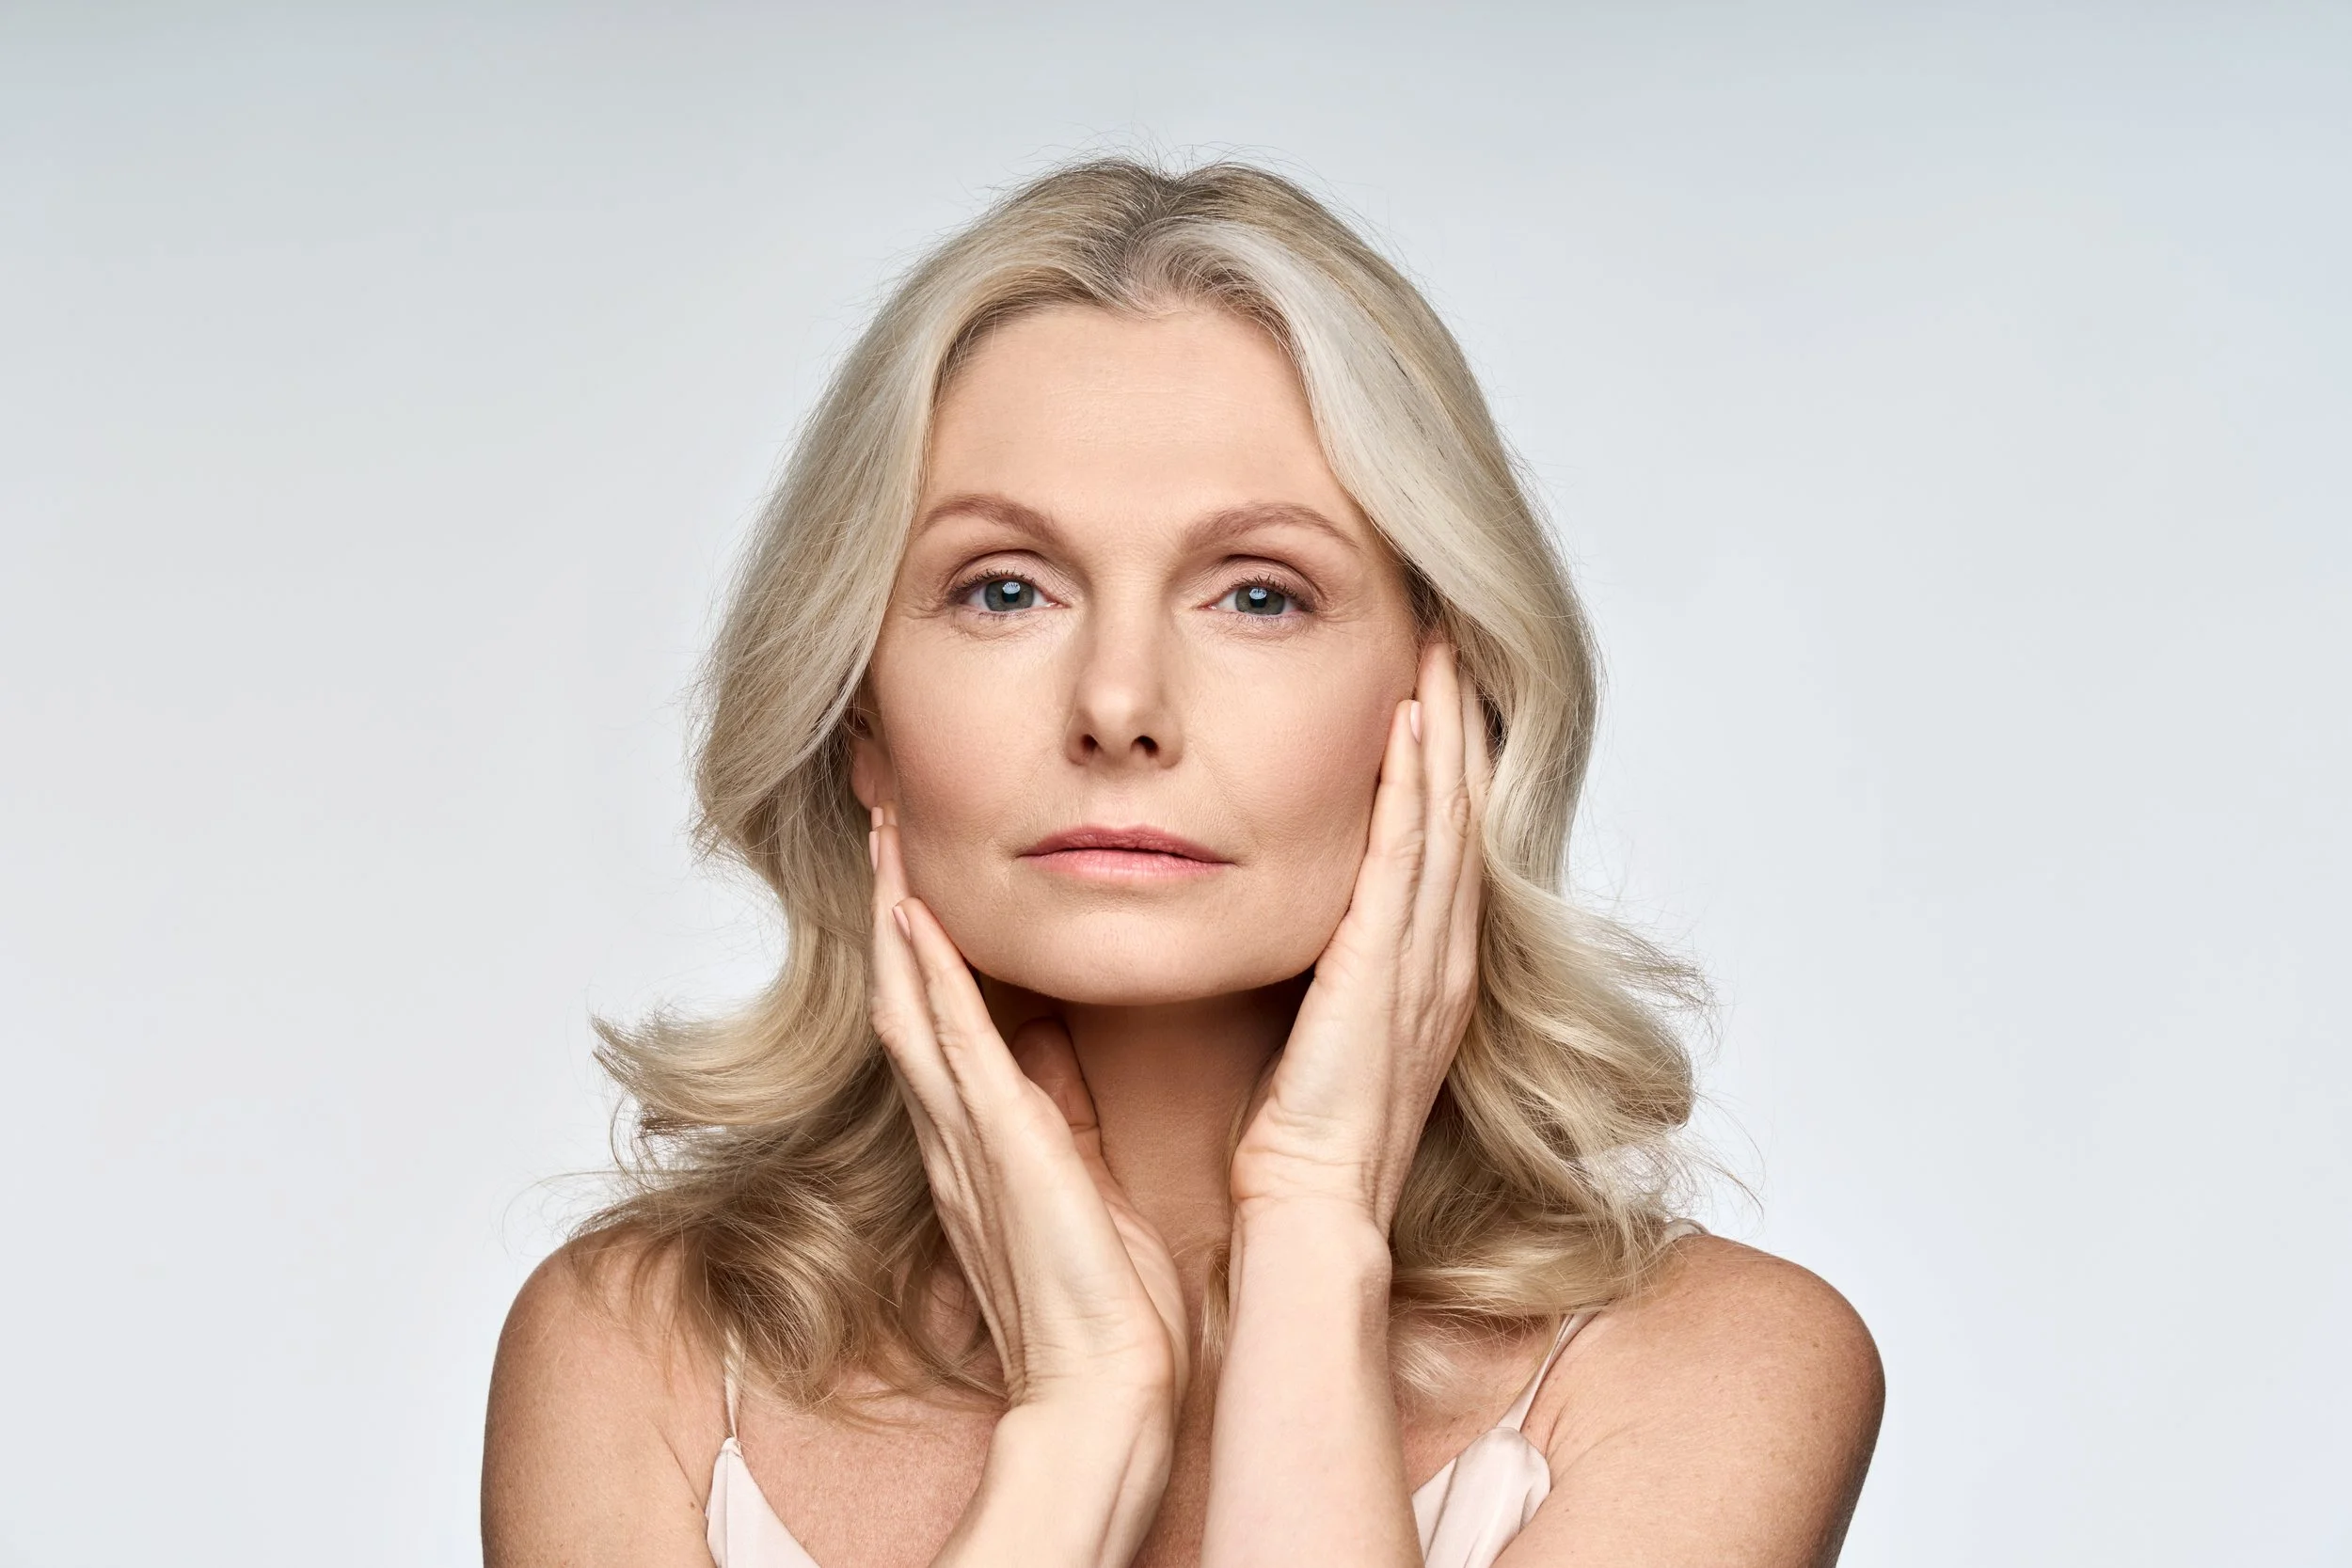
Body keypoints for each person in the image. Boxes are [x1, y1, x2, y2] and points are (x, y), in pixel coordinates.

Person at [482, 156, 1883, 1568]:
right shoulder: (640, 1354)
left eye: (1259, 593)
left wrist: (1318, 1231)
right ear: (863, 716)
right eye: (1006, 587)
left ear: (1451, 699)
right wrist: (1078, 1421)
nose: (1117, 703)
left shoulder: (1711, 1370)